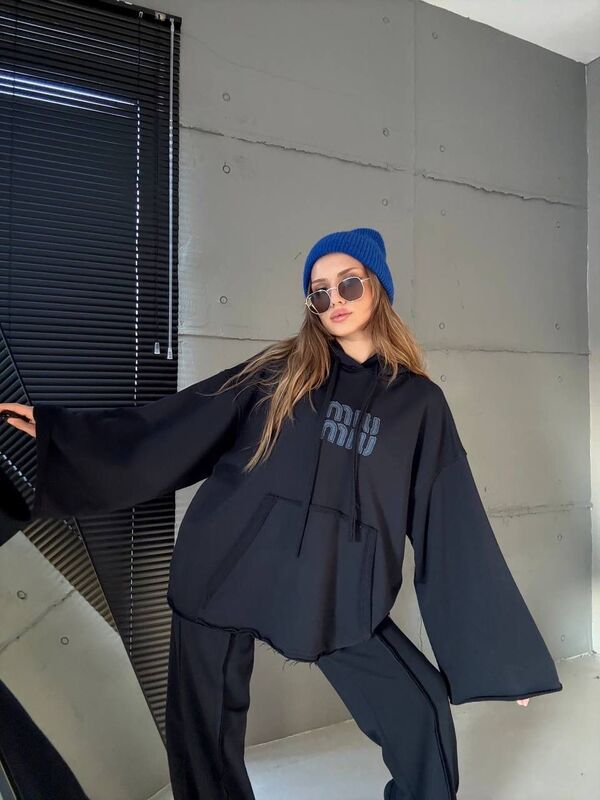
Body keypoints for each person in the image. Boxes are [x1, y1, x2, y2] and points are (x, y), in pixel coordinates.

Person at [0, 227, 562, 800]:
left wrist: (502, 662)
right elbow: (172, 427)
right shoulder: (279, 372)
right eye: (320, 292)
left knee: (421, 715)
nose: (335, 300)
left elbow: (453, 528)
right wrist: (64, 433)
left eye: (348, 284)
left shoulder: (418, 405)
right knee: (204, 748)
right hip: (225, 570)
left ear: (377, 288)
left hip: (334, 591)